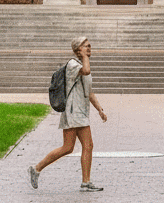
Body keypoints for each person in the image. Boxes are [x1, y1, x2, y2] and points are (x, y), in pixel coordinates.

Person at [28, 36, 108, 192]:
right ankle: (37, 168)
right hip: (74, 111)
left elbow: (89, 92)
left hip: (79, 112)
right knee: (77, 146)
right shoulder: (73, 64)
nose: (89, 49)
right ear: (78, 49)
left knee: (72, 147)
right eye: (86, 46)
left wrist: (100, 109)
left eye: (90, 46)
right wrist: (85, 57)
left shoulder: (81, 64)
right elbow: (86, 71)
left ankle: (38, 169)